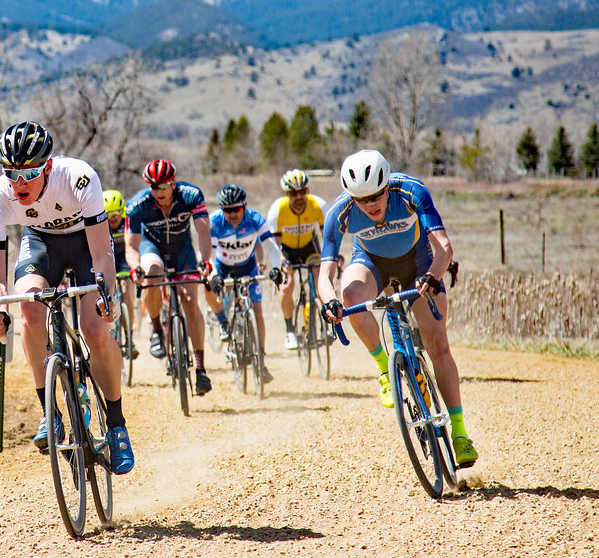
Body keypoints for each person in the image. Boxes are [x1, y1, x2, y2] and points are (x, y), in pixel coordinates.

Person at [0, 121, 133, 475]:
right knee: (30, 310)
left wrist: (106, 296)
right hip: (41, 244)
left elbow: (102, 254)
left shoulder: (78, 178)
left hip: (86, 246)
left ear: (47, 166)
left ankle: (116, 425)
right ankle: (50, 413)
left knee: (94, 329)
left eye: (29, 174)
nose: (19, 184)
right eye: (11, 174)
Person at [317, 149, 478, 468]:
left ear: (387, 185)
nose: (370, 204)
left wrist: (433, 275)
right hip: (371, 264)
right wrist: (329, 302)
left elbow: (444, 247)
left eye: (377, 195)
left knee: (439, 345)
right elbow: (325, 274)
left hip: (418, 263)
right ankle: (383, 369)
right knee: (350, 295)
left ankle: (459, 433)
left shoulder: (411, 191)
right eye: (361, 199)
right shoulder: (340, 212)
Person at [125, 159, 214, 395]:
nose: (158, 192)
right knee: (152, 277)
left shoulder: (191, 195)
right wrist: (135, 268)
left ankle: (200, 368)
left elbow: (203, 232)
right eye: (153, 187)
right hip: (151, 247)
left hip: (182, 248)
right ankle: (156, 331)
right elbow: (131, 247)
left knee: (190, 300)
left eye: (163, 186)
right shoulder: (137, 205)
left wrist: (205, 261)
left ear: (174, 183)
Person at [204, 184, 283, 384]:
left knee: (257, 312)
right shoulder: (215, 222)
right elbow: (210, 254)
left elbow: (272, 247)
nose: (232, 214)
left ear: (244, 207)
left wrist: (277, 267)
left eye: (236, 209)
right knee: (208, 288)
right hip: (222, 266)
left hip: (248, 266)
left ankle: (261, 361)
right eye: (227, 210)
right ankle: (222, 321)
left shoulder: (255, 219)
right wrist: (213, 275)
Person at [266, 169, 328, 350]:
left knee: (320, 279)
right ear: (287, 194)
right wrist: (280, 265)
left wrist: (332, 259)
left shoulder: (318, 205)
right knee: (288, 286)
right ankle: (290, 331)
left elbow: (328, 238)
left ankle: (328, 322)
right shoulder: (278, 210)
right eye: (294, 193)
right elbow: (275, 246)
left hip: (310, 247)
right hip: (287, 250)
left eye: (303, 192)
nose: (299, 197)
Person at [103, 189, 138, 359]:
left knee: (125, 291)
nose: (113, 218)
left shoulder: (127, 223)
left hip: (124, 259)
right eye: (109, 215)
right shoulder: (102, 226)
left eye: (116, 214)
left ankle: (129, 335)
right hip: (109, 261)